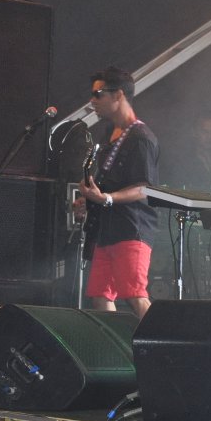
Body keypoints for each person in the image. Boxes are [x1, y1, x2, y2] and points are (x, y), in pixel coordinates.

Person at [73, 67, 160, 318]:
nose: (93, 101)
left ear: (118, 95)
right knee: (100, 295)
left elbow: (145, 188)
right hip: (107, 229)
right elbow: (110, 184)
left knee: (135, 295)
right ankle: (117, 342)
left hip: (131, 228)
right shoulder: (109, 134)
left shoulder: (141, 138)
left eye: (98, 94)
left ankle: (159, 342)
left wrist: (106, 199)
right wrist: (89, 199)